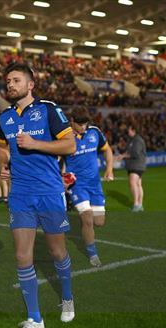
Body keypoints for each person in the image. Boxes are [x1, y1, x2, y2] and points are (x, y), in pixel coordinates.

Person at [0, 63, 77, 328]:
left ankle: (67, 298)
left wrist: (35, 144)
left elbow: (70, 145)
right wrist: (3, 163)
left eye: (16, 80)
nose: (10, 85)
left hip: (50, 192)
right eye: (8, 81)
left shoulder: (49, 110)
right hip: (19, 194)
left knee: (57, 253)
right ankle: (34, 319)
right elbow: (1, 145)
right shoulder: (4, 117)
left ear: (31, 85)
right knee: (21, 256)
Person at [63, 107, 114, 267]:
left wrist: (109, 169)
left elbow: (107, 150)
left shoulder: (94, 132)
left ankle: (85, 222)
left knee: (98, 222)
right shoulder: (64, 138)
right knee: (87, 218)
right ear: (72, 122)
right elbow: (54, 161)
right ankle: (93, 255)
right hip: (77, 185)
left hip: (95, 185)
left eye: (85, 124)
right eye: (80, 124)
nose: (83, 127)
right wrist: (62, 180)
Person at [116, 123, 146, 212]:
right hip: (135, 165)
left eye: (129, 129)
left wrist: (124, 156)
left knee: (133, 183)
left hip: (136, 165)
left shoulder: (137, 140)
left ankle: (136, 204)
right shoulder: (132, 140)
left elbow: (135, 153)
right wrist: (122, 154)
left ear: (133, 130)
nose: (127, 131)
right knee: (138, 184)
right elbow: (129, 152)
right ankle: (140, 205)